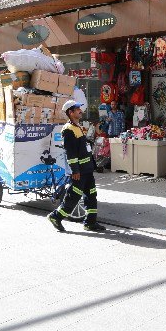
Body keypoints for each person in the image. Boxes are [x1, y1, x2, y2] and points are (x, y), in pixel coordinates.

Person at [47, 100, 105, 233]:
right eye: (77, 109)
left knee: (91, 195)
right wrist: (75, 170)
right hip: (79, 171)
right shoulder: (68, 130)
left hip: (87, 169)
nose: (81, 110)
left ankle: (90, 223)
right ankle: (55, 217)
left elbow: (82, 147)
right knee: (73, 196)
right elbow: (70, 152)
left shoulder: (77, 126)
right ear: (70, 112)